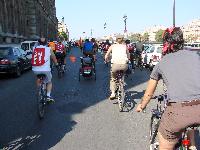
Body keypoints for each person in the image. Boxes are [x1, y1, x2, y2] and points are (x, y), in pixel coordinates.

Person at [136, 27, 200, 150]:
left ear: (166, 44)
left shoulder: (162, 62)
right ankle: (192, 145)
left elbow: (149, 93)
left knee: (165, 139)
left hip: (178, 112)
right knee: (191, 124)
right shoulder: (196, 55)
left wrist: (142, 105)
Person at [32, 37, 58, 102]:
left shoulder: (34, 49)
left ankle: (39, 91)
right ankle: (48, 96)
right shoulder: (48, 49)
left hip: (35, 69)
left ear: (38, 42)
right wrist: (56, 64)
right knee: (49, 82)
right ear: (46, 43)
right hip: (46, 70)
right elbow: (54, 58)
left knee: (38, 79)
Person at [105, 35, 130, 99]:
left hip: (115, 65)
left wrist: (106, 60)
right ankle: (122, 81)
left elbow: (106, 55)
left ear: (116, 40)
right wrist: (127, 60)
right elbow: (128, 56)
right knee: (123, 73)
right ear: (122, 40)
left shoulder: (112, 46)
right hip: (124, 65)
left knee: (113, 78)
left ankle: (113, 93)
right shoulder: (125, 46)